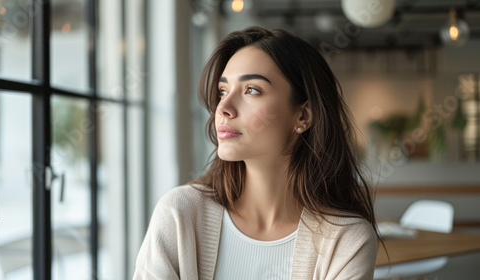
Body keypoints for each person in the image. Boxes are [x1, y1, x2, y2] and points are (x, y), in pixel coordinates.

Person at [133, 26, 381, 280]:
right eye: (223, 91)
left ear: (303, 115)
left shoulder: (346, 239)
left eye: (251, 90)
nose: (224, 108)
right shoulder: (179, 214)